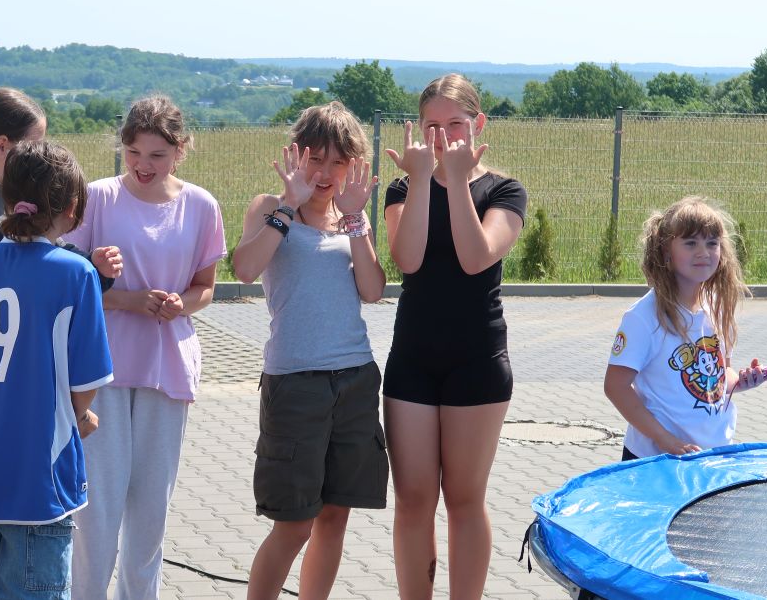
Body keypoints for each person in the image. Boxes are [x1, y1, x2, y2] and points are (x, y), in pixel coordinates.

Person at [0, 87, 122, 600]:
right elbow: (87, 382)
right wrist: (78, 416)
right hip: (42, 476)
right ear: (72, 209)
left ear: (8, 200)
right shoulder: (76, 272)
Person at [66, 95, 225, 600]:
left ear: (180, 150)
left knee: (151, 511)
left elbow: (205, 288)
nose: (143, 165)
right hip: (102, 368)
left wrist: (181, 304)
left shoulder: (201, 205)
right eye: (133, 152)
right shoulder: (96, 197)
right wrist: (127, 297)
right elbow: (70, 281)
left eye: (157, 155)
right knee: (97, 509)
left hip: (167, 367)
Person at [232, 101, 388, 600]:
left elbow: (372, 290)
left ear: (353, 166)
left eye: (338, 162)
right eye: (315, 159)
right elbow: (244, 269)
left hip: (354, 380)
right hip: (295, 383)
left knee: (335, 516)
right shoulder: (269, 206)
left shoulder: (352, 218)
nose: (325, 173)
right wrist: (286, 206)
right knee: (294, 523)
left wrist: (357, 220)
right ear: (296, 156)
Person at [382, 74, 527, 599]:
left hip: (477, 361)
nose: (443, 137)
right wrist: (423, 180)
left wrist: (459, 182)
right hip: (413, 361)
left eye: (456, 124)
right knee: (413, 501)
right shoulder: (404, 188)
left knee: (464, 499)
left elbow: (475, 256)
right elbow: (408, 259)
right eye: (431, 126)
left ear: (478, 124)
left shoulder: (504, 190)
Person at [605, 196, 764, 461]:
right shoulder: (643, 317)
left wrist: (741, 381)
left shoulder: (717, 308)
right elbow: (615, 387)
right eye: (691, 243)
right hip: (656, 460)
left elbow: (719, 375)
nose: (703, 252)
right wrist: (665, 440)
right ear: (666, 252)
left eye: (712, 243)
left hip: (712, 455)